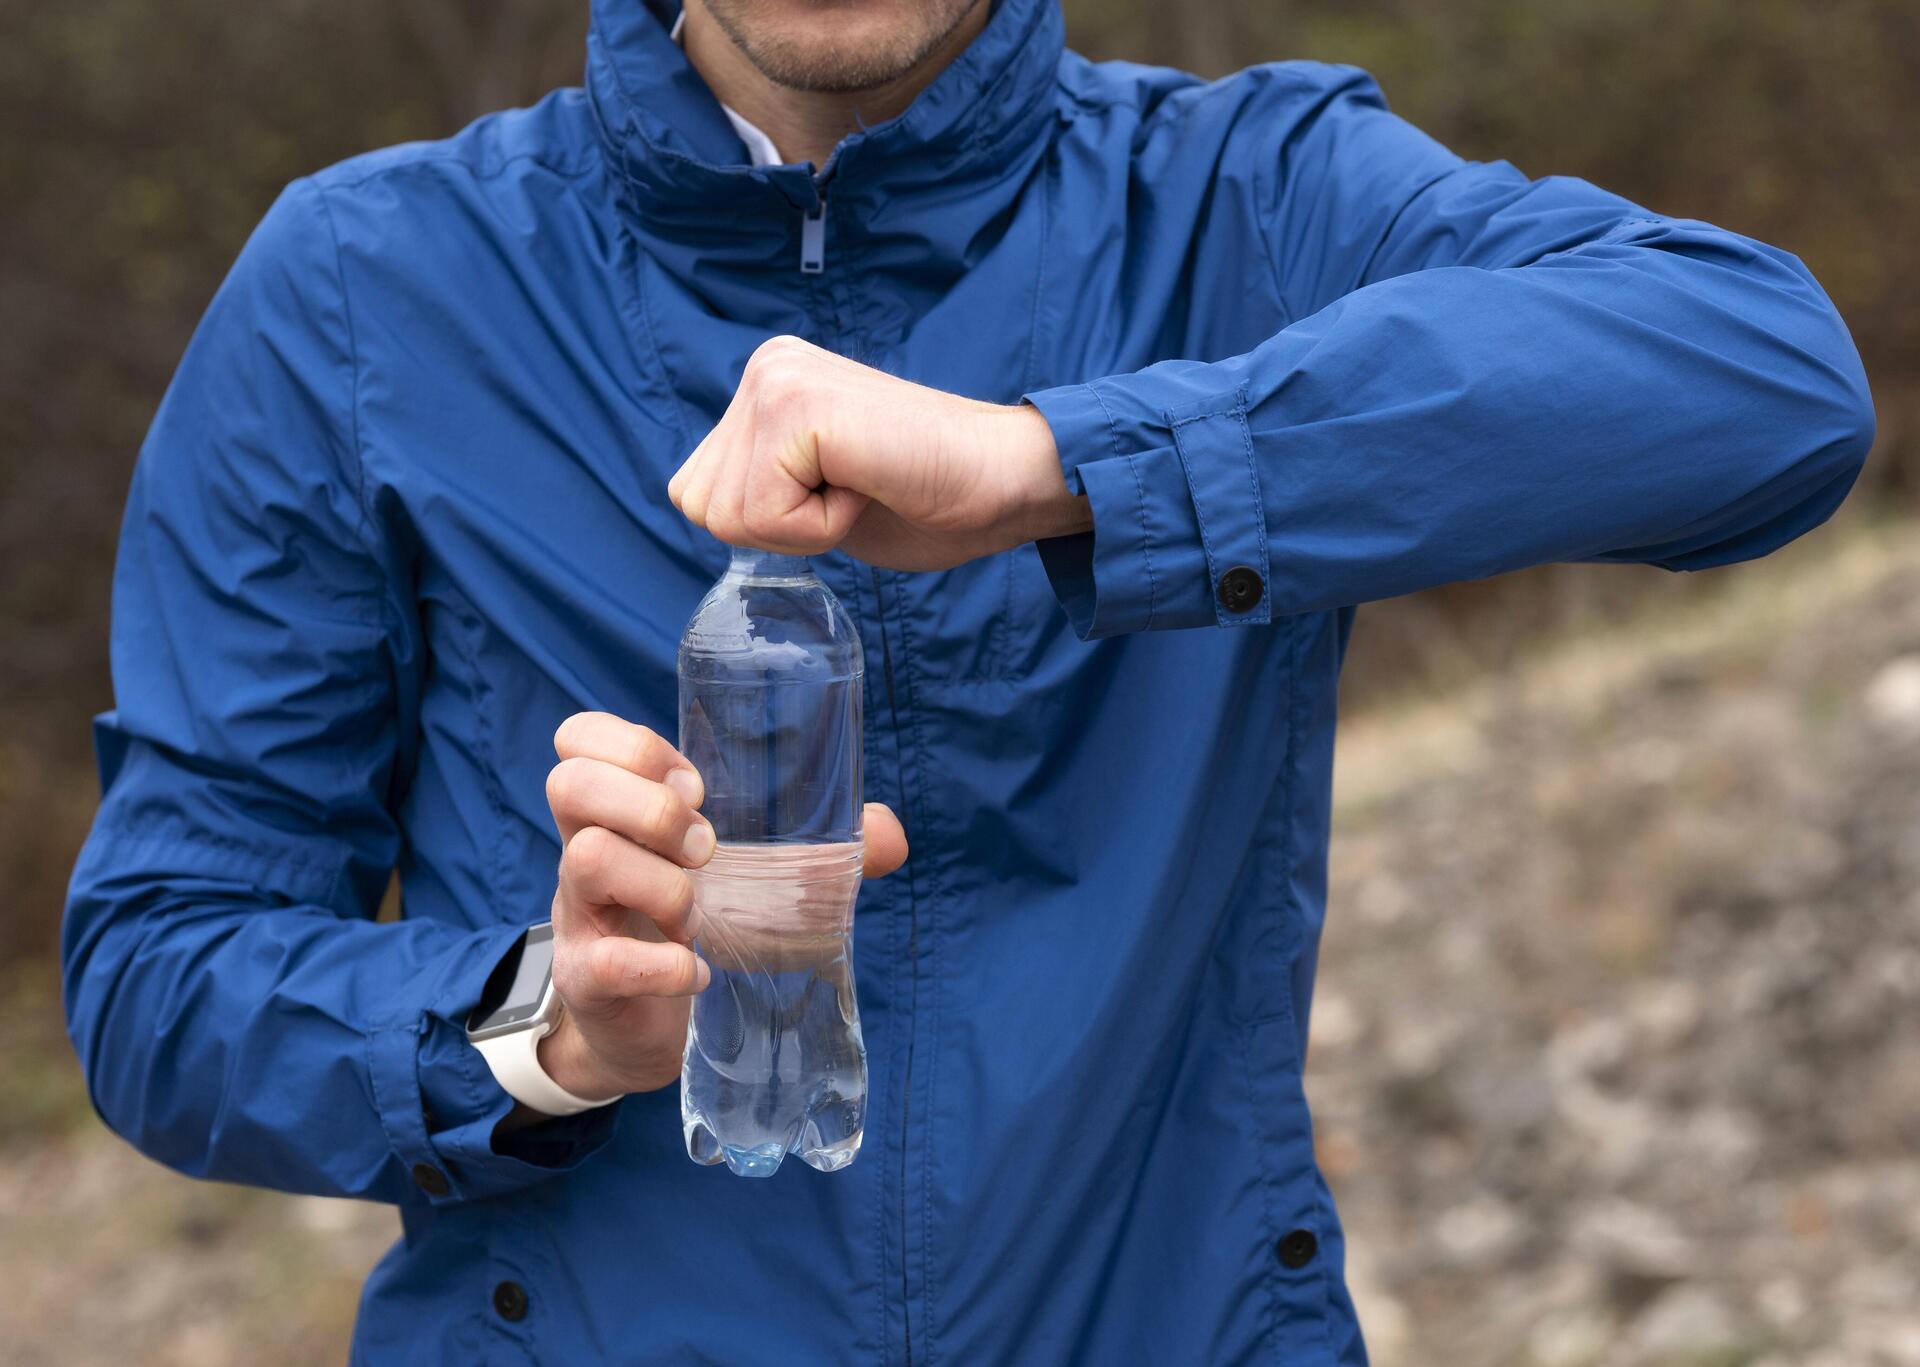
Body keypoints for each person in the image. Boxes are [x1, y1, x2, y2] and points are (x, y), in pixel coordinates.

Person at [62, 0, 1873, 1360]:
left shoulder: (1246, 202)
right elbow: (160, 969)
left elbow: (1763, 384)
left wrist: (1064, 466)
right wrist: (546, 1026)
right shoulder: (364, 290)